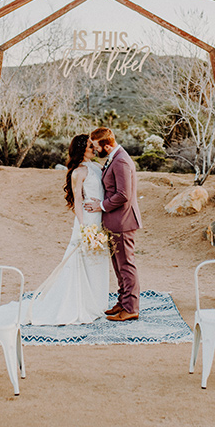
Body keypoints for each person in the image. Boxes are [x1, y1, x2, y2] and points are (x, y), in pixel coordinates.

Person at [27, 134, 110, 325]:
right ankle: (80, 303)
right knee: (82, 258)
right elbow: (78, 201)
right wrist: (83, 227)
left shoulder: (96, 167)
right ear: (82, 149)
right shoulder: (78, 172)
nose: (94, 149)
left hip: (99, 217)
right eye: (90, 146)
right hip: (88, 219)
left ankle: (97, 302)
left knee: (98, 259)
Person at [84, 127, 142, 321]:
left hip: (123, 222)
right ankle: (123, 301)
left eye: (96, 146)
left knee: (126, 265)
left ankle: (131, 307)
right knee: (118, 266)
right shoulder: (114, 158)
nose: (94, 150)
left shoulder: (122, 161)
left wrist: (100, 206)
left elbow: (123, 195)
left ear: (107, 146)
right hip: (115, 222)